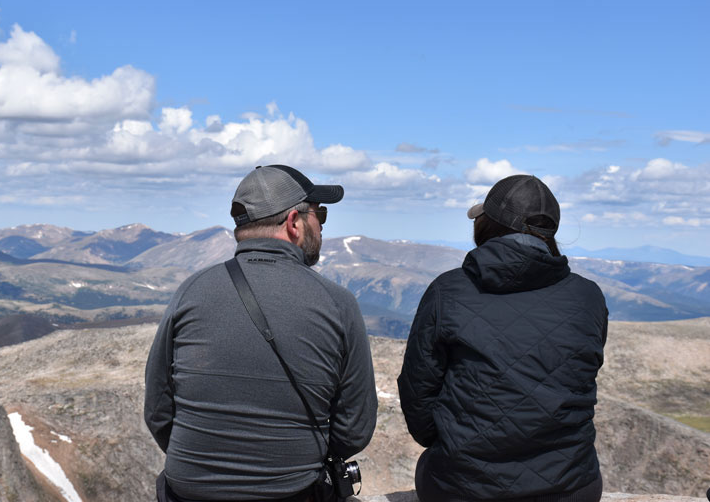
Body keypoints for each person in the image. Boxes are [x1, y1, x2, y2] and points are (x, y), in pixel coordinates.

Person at [144, 164, 377, 501]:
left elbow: (158, 410)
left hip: (187, 492)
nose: (322, 227)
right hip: (292, 492)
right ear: (294, 223)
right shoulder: (337, 303)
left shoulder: (190, 291)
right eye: (320, 215)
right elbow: (354, 428)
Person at [397, 175, 608, 502]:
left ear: (487, 226)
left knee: (431, 467)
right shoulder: (588, 297)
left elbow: (417, 392)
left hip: (462, 489)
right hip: (572, 489)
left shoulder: (448, 291)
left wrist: (451, 442)